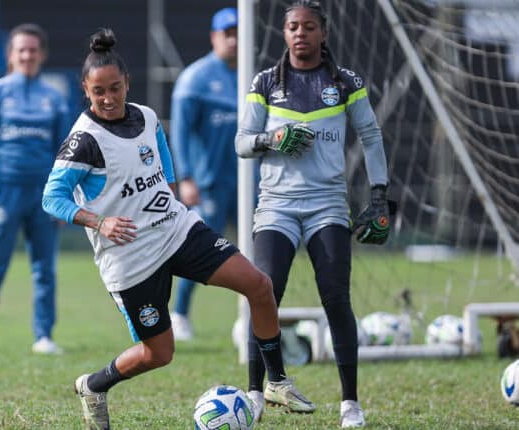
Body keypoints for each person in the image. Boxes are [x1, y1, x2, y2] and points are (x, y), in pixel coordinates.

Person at [42, 28, 312, 429]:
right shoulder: (83, 141)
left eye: (115, 88)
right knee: (159, 353)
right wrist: (100, 221)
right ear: (86, 89)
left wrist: (170, 194)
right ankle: (94, 385)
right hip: (132, 259)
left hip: (177, 231)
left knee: (259, 285)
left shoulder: (146, 116)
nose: (108, 98)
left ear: (126, 83)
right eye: (98, 91)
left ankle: (276, 382)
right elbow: (52, 198)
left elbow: (161, 154)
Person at [235, 1, 391, 427]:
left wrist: (379, 197)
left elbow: (372, 136)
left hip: (327, 206)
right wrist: (273, 138)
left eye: (308, 27)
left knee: (336, 298)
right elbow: (242, 143)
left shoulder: (345, 82)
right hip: (276, 207)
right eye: (292, 27)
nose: (299, 33)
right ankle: (254, 396)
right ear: (283, 33)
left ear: (323, 33)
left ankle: (350, 404)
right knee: (263, 293)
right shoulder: (265, 82)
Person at [0, 23, 72, 355]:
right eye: (21, 49)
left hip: (44, 194)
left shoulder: (55, 98)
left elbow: (66, 151)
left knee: (45, 268)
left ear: (42, 55)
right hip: (3, 190)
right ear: (10, 54)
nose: (27, 55)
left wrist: (64, 196)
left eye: (33, 50)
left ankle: (44, 337)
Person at [169, 7, 239, 342]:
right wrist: (186, 178)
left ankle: (252, 316)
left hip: (249, 183)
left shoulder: (254, 77)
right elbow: (180, 133)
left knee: (259, 251)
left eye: (239, 32)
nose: (235, 39)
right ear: (214, 37)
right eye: (228, 33)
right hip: (209, 184)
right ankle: (180, 313)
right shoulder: (195, 78)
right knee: (201, 251)